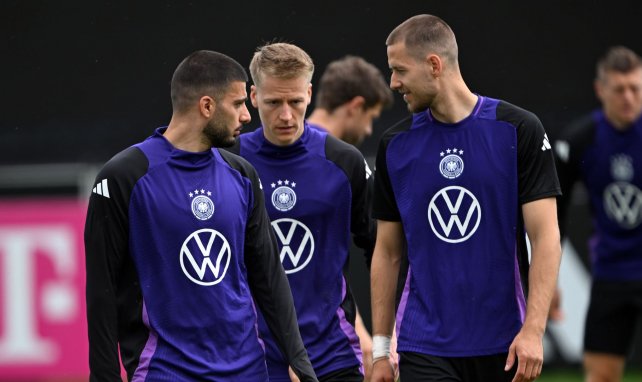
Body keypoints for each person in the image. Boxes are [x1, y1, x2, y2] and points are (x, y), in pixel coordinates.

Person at [84, 50, 317, 381]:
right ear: (207, 106)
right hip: (166, 371)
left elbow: (269, 277)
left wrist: (299, 362)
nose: (247, 116)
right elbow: (102, 290)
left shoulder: (242, 174)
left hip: (247, 370)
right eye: (238, 104)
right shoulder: (123, 176)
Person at [370, 14, 562, 382]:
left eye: (399, 70)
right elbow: (388, 251)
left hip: (504, 343)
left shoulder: (517, 129)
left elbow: (546, 236)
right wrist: (381, 351)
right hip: (423, 344)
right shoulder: (395, 145)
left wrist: (534, 331)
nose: (393, 83)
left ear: (434, 65)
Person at [227, 42, 374, 382]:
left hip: (331, 354)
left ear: (309, 93)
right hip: (251, 357)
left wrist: (382, 341)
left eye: (295, 101)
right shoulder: (226, 161)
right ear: (252, 96)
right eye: (273, 102)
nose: (286, 115)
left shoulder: (344, 161)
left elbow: (383, 249)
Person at [554, 46, 642, 382]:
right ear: (600, 90)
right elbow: (555, 213)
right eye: (619, 89)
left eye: (635, 88)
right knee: (601, 375)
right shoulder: (581, 141)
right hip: (611, 273)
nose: (628, 97)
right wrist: (552, 282)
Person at [307, 54, 396, 381]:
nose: (369, 129)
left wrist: (359, 328)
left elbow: (323, 271)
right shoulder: (339, 164)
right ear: (355, 105)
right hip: (307, 344)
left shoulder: (344, 164)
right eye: (371, 117)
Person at [308, 55, 393, 146]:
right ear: (356, 107)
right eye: (371, 117)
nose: (368, 130)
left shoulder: (295, 141)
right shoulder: (328, 155)